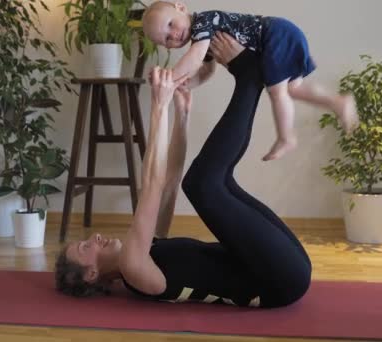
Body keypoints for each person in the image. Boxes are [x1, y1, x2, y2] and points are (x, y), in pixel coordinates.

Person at [55, 33, 311, 308]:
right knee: (203, 185)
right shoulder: (134, 269)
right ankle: (249, 76)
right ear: (92, 273)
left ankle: (250, 76)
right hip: (281, 280)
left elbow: (169, 183)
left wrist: (181, 116)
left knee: (208, 182)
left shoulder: (146, 250)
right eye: (85, 248)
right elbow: (151, 184)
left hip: (287, 264)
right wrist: (158, 106)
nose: (94, 238)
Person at [141, 1, 358, 161]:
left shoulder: (204, 22)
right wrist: (184, 84)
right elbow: (206, 70)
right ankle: (338, 102)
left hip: (275, 34)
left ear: (180, 7)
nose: (174, 35)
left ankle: (287, 137)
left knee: (277, 92)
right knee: (294, 88)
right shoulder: (202, 39)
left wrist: (170, 78)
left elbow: (195, 59)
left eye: (170, 24)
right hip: (281, 34)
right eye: (166, 40)